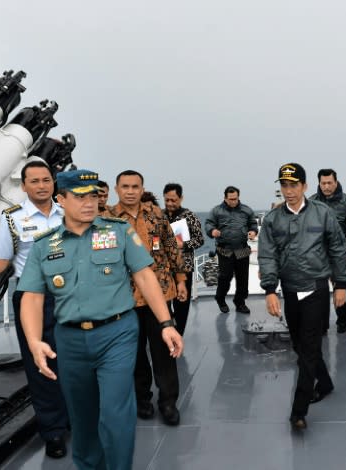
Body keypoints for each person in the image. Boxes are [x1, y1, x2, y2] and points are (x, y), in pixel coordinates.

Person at [18, 169, 184, 470]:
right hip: (69, 340)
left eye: (93, 195)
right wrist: (34, 341)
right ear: (61, 200)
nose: (89, 203)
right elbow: (31, 295)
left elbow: (145, 276)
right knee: (83, 417)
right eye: (80, 197)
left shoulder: (118, 231)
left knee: (115, 413)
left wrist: (166, 323)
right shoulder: (44, 245)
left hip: (117, 333)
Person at [0, 160, 69, 458]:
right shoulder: (13, 219)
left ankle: (77, 418)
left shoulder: (70, 212)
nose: (41, 185)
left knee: (76, 360)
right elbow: (0, 261)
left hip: (73, 295)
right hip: (33, 296)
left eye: (46, 180)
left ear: (54, 183)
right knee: (42, 366)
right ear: (23, 186)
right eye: (34, 181)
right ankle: (53, 431)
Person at [258, 163, 346, 430]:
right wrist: (269, 290)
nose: (289, 191)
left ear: (305, 186)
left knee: (309, 348)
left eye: (293, 185)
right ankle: (326, 381)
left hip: (316, 288)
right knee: (299, 345)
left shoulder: (323, 213)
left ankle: (299, 410)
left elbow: (338, 247)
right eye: (284, 186)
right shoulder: (273, 220)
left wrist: (342, 284)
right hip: (289, 289)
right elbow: (267, 255)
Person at [104, 170, 188, 426]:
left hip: (159, 296)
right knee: (134, 352)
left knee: (165, 350)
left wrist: (181, 279)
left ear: (142, 189)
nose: (130, 191)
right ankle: (142, 399)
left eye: (135, 186)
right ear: (117, 189)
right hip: (124, 298)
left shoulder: (156, 215)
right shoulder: (105, 220)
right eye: (125, 186)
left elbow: (172, 248)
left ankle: (168, 402)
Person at [308, 168, 346, 334]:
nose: (326, 186)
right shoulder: (311, 202)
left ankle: (342, 322)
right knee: (319, 291)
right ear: (319, 183)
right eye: (323, 183)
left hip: (340, 253)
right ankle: (322, 324)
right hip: (318, 254)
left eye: (329, 183)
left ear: (336, 182)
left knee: (343, 287)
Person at [205, 186, 258, 314]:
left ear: (238, 197)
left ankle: (240, 302)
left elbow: (253, 223)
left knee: (243, 278)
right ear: (225, 198)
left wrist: (253, 231)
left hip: (242, 249)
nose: (233, 201)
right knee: (225, 277)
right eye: (230, 199)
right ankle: (220, 298)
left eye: (235, 199)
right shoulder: (216, 211)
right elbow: (208, 223)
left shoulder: (247, 210)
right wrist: (213, 231)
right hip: (225, 250)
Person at [163, 182, 205, 334]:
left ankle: (179, 333)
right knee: (164, 303)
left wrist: (184, 244)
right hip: (164, 268)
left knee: (181, 304)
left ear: (181, 198)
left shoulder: (189, 216)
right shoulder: (160, 215)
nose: (170, 203)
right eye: (167, 200)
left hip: (184, 266)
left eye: (173, 200)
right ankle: (167, 331)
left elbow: (200, 240)